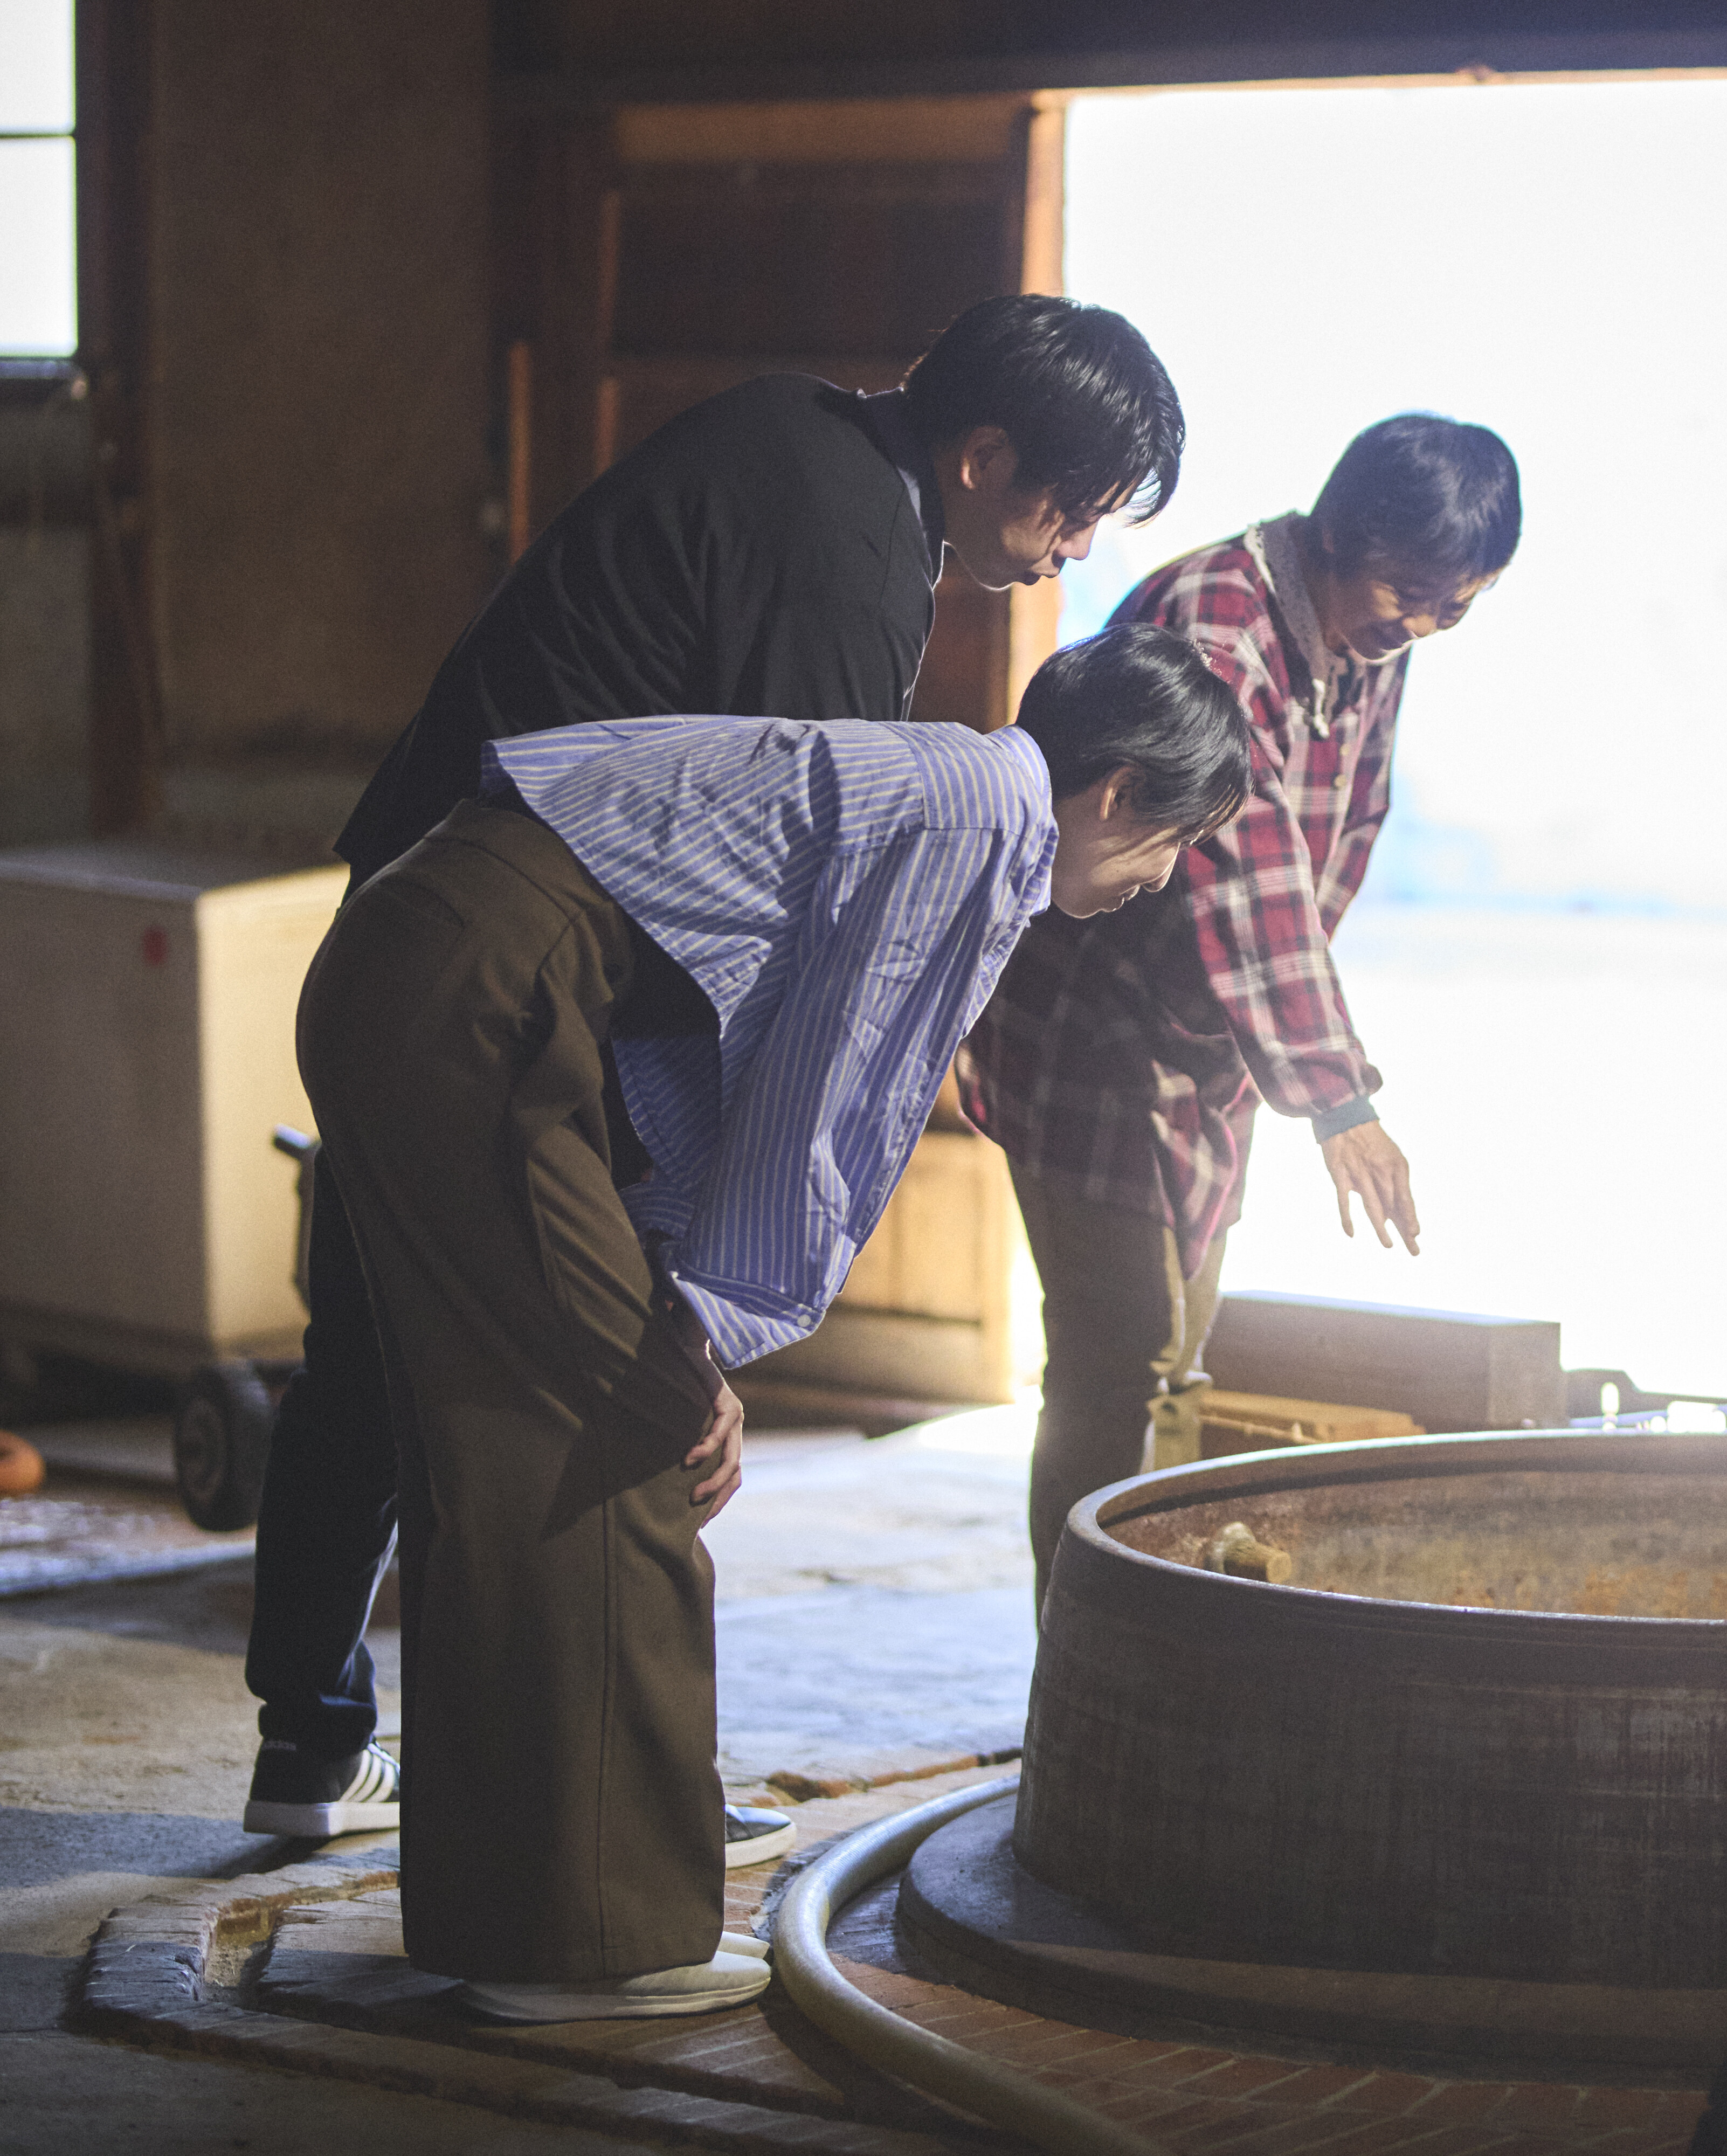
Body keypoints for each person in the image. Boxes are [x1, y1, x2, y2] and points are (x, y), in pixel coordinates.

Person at [244, 294, 1184, 1846]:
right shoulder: (851, 559)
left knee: (375, 1340)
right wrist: (700, 1300)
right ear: (985, 452)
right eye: (1071, 506)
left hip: (426, 907)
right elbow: (778, 956)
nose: (1072, 547)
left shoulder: (797, 434)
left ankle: (319, 1744)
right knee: (592, 1397)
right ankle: (585, 1811)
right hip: (514, 954)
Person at [294, 629, 1248, 2022]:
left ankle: (507, 1923)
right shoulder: (983, 821)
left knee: (507, 1459)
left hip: (437, 959)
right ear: (1114, 795)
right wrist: (700, 1334)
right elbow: (836, 1096)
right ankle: (583, 1951)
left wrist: (682, 1304)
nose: (1164, 879)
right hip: (483, 986)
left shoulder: (945, 784)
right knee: (611, 1443)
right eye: (1178, 841)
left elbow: (721, 1066)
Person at [968, 413, 1521, 1601]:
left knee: (1175, 1361)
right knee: (1118, 1357)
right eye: (1409, 590)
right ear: (1342, 533)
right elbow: (1245, 861)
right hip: (1094, 1033)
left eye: (1454, 607)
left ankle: (1156, 1626)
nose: (1420, 624)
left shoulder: (1373, 641)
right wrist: (1335, 1094)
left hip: (1210, 1044)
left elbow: (1344, 839)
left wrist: (1281, 1051)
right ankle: (1088, 1649)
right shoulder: (1222, 617)